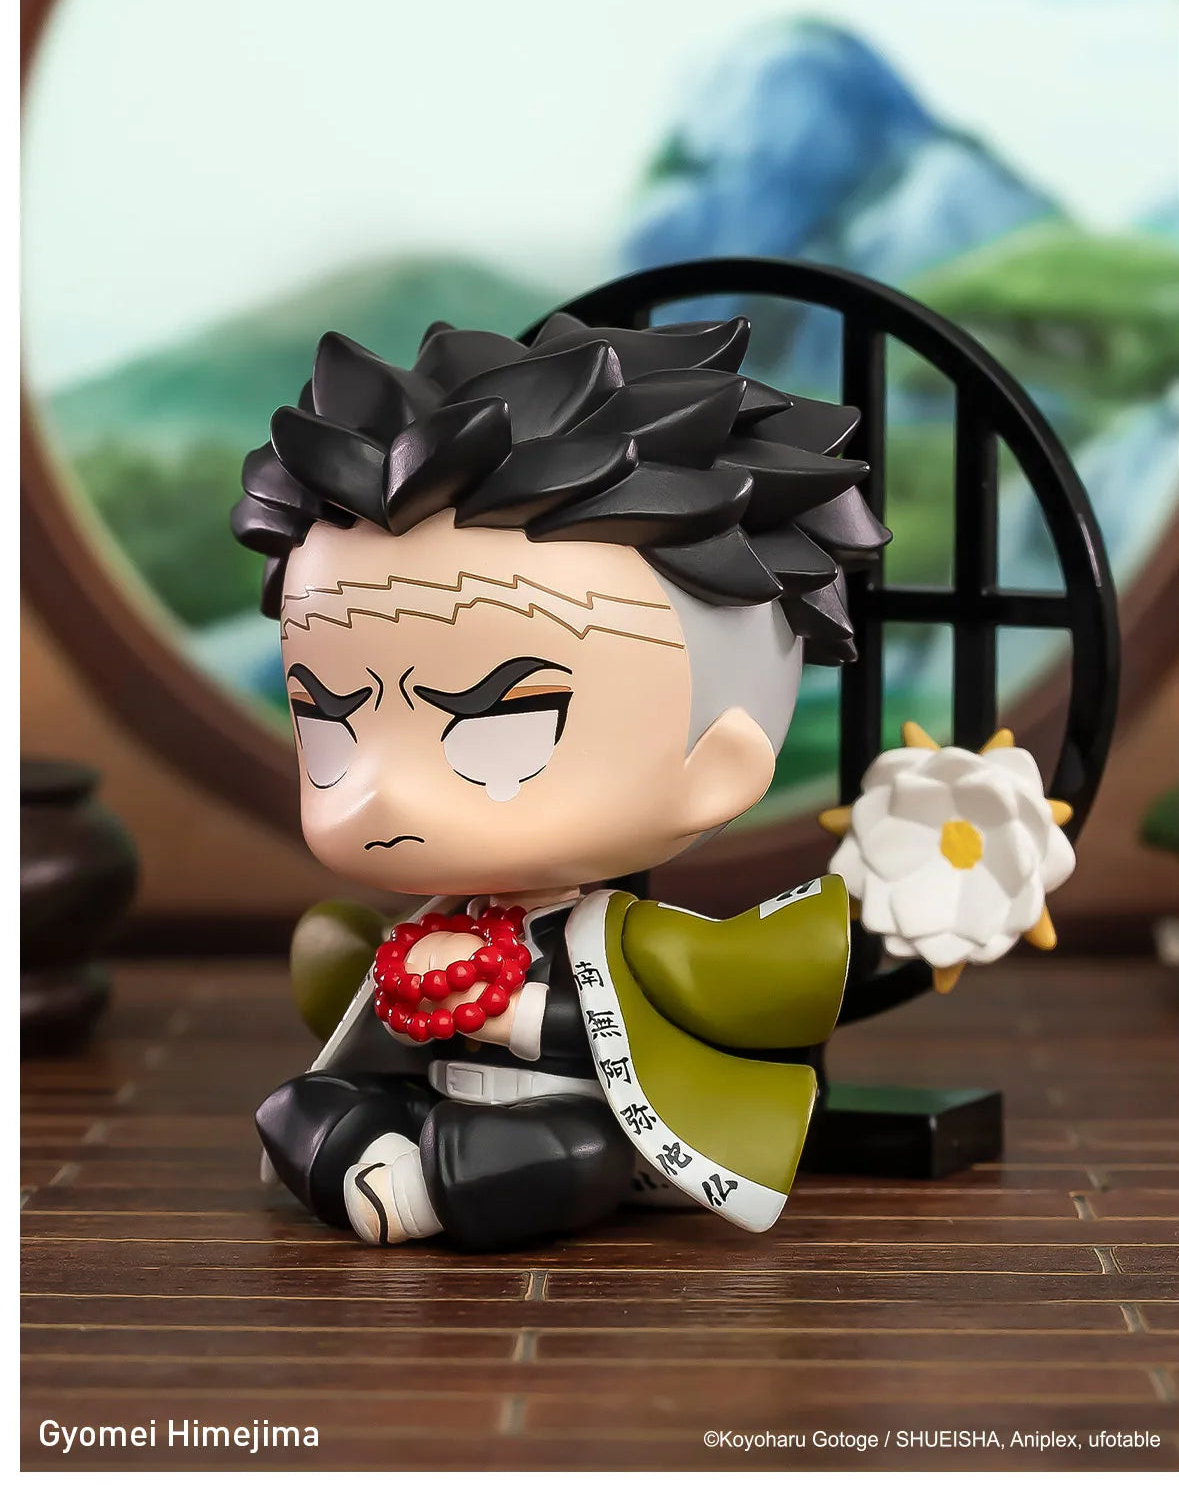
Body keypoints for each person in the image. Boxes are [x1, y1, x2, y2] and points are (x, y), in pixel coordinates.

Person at [232, 312, 888, 1249]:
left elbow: (643, 1022)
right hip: (437, 1093)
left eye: (500, 724)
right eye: (329, 721)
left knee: (568, 1155)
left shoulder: (626, 941)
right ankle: (371, 1164)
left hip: (564, 1114)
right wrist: (403, 990)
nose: (380, 794)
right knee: (302, 1103)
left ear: (719, 768)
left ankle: (437, 1180)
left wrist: (509, 1013)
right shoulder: (441, 916)